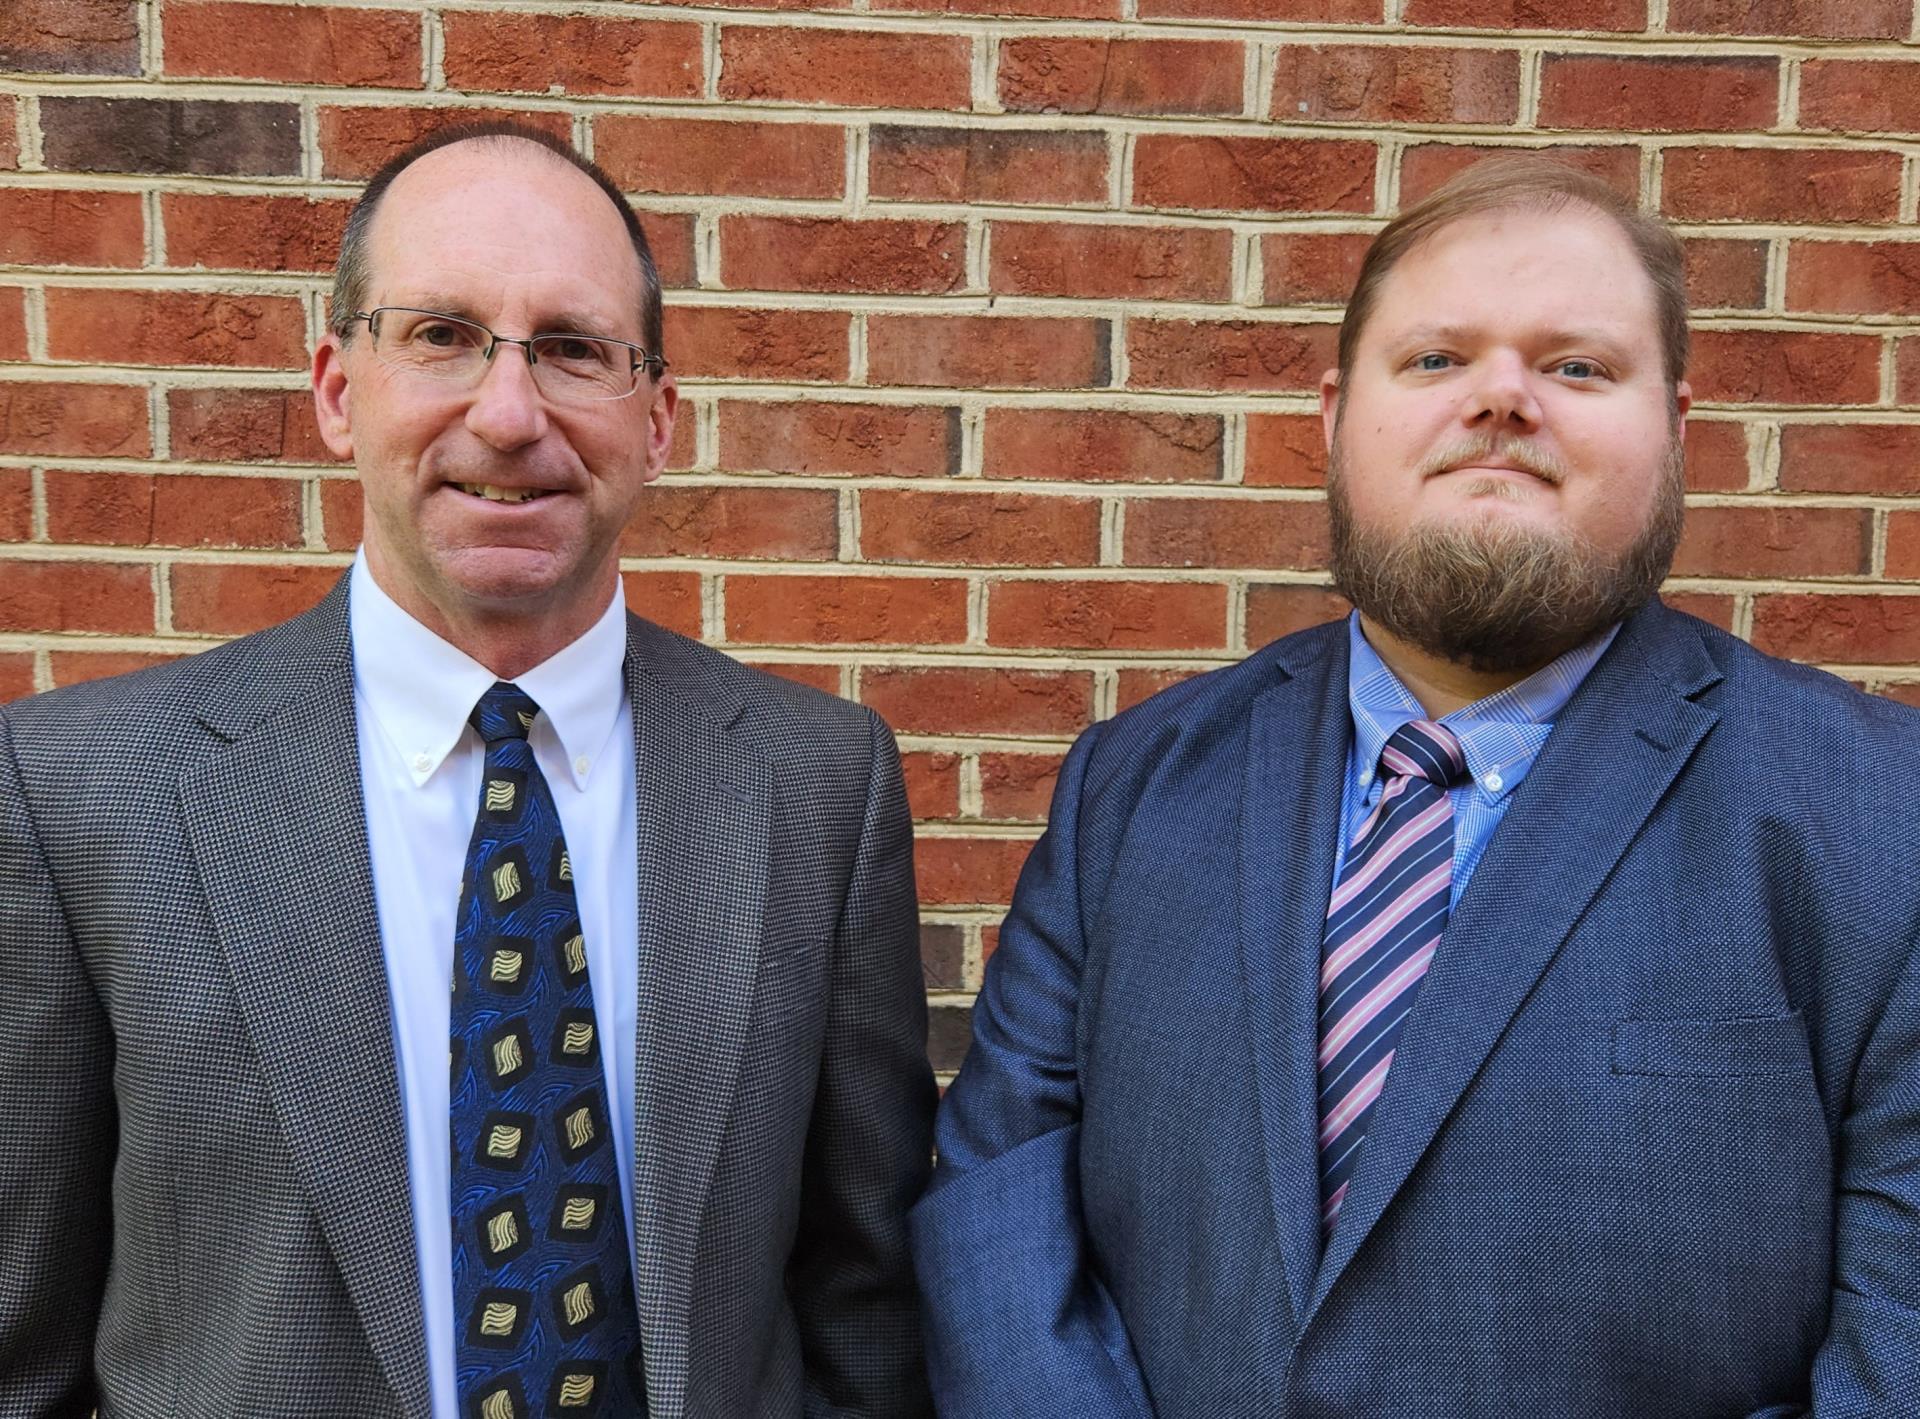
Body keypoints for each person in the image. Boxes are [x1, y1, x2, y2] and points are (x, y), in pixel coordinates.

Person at [911, 157, 1920, 1416]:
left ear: (1676, 430)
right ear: (1333, 417)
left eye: (1578, 367)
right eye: (1437, 360)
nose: (1502, 399)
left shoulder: (1882, 814)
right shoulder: (1134, 785)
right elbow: (1000, 1207)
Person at [0, 123, 936, 1418]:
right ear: (338, 388)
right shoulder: (79, 794)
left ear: (656, 420)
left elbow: (865, 1309)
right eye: (441, 333)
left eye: (571, 348)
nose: (508, 415)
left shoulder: (821, 785)